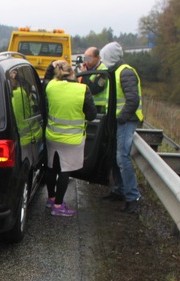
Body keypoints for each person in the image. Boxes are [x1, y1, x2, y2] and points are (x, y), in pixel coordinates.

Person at [44, 60, 96, 217]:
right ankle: (59, 205)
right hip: (72, 139)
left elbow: (46, 78)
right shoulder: (82, 90)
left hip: (52, 135)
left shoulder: (51, 86)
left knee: (52, 167)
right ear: (73, 73)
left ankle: (51, 198)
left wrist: (52, 64)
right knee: (64, 171)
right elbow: (92, 115)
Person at [100, 41, 144, 214]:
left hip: (126, 121)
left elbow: (133, 100)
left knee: (122, 158)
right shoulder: (115, 72)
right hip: (119, 121)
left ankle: (133, 197)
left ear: (109, 57)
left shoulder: (125, 72)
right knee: (115, 157)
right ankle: (120, 190)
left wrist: (121, 118)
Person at [79, 47, 108, 113]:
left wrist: (84, 74)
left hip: (99, 107)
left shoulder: (103, 71)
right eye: (85, 58)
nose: (86, 61)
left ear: (97, 58)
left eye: (89, 58)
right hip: (86, 105)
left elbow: (93, 89)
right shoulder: (84, 69)